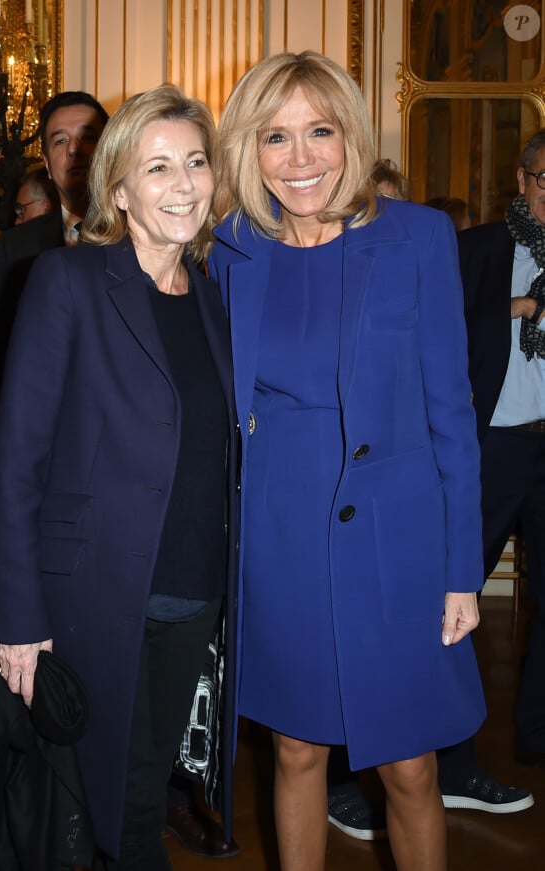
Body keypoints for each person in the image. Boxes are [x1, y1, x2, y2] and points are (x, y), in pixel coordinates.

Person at [209, 50, 486, 871]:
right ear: (248, 151)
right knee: (294, 750)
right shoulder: (230, 247)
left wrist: (461, 569)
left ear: (351, 137)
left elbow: (452, 414)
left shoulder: (418, 238)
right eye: (276, 137)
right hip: (278, 539)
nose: (301, 160)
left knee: (409, 763)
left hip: (398, 545)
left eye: (319, 132)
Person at [0, 83, 238, 870]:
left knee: (146, 789)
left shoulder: (215, 301)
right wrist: (17, 610)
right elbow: (16, 457)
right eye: (158, 168)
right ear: (117, 187)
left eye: (195, 162)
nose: (184, 184)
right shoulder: (69, 283)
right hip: (96, 592)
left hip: (194, 592)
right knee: (103, 805)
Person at [458, 127, 545, 769]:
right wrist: (518, 307)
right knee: (455, 593)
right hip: (490, 449)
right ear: (522, 181)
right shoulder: (476, 249)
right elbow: (435, 328)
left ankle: (538, 736)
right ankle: (447, 743)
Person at [0, 90, 109, 395]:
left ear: (110, 149)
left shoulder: (145, 235)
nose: (74, 150)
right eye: (60, 141)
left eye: (87, 137)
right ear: (47, 163)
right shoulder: (17, 247)